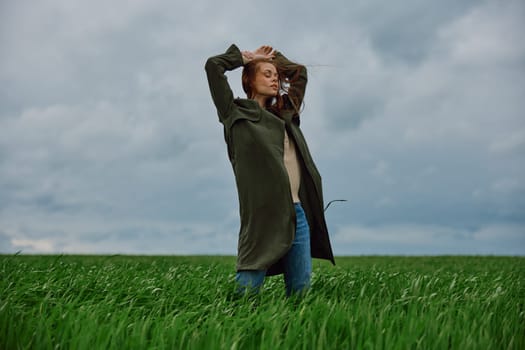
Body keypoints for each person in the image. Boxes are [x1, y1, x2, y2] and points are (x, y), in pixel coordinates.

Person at [205, 44, 335, 297]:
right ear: (249, 80)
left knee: (300, 293)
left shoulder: (285, 114)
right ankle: (237, 332)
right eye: (266, 73)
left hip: (298, 213)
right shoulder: (234, 113)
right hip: (263, 215)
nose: (274, 78)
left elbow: (300, 73)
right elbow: (213, 66)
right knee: (248, 289)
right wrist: (246, 58)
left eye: (276, 75)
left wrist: (274, 59)